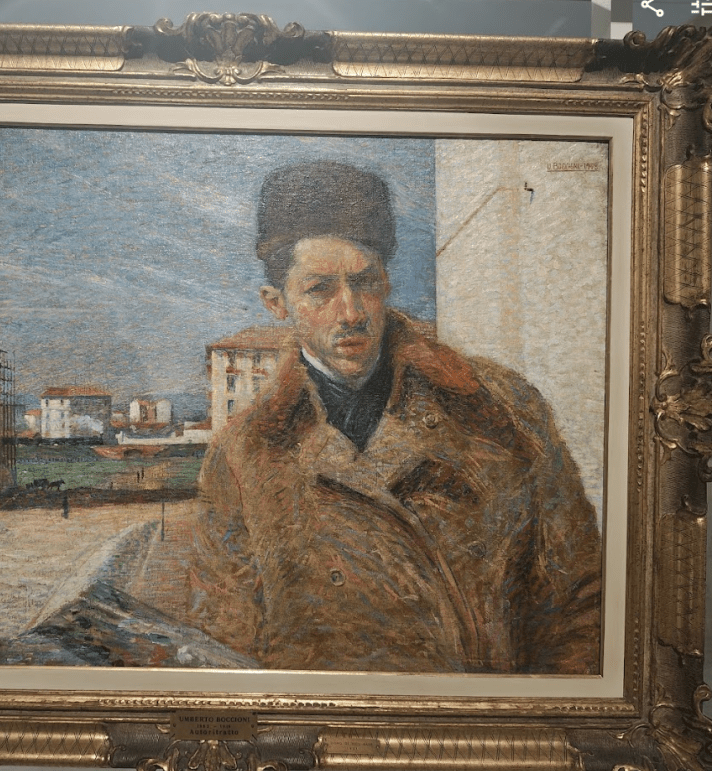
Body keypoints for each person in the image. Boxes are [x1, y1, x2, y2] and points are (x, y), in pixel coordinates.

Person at [189, 161, 602, 674]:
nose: (351, 312)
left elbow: (582, 599)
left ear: (385, 282)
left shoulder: (503, 409)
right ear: (277, 303)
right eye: (320, 289)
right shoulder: (243, 455)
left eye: (364, 282)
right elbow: (225, 645)